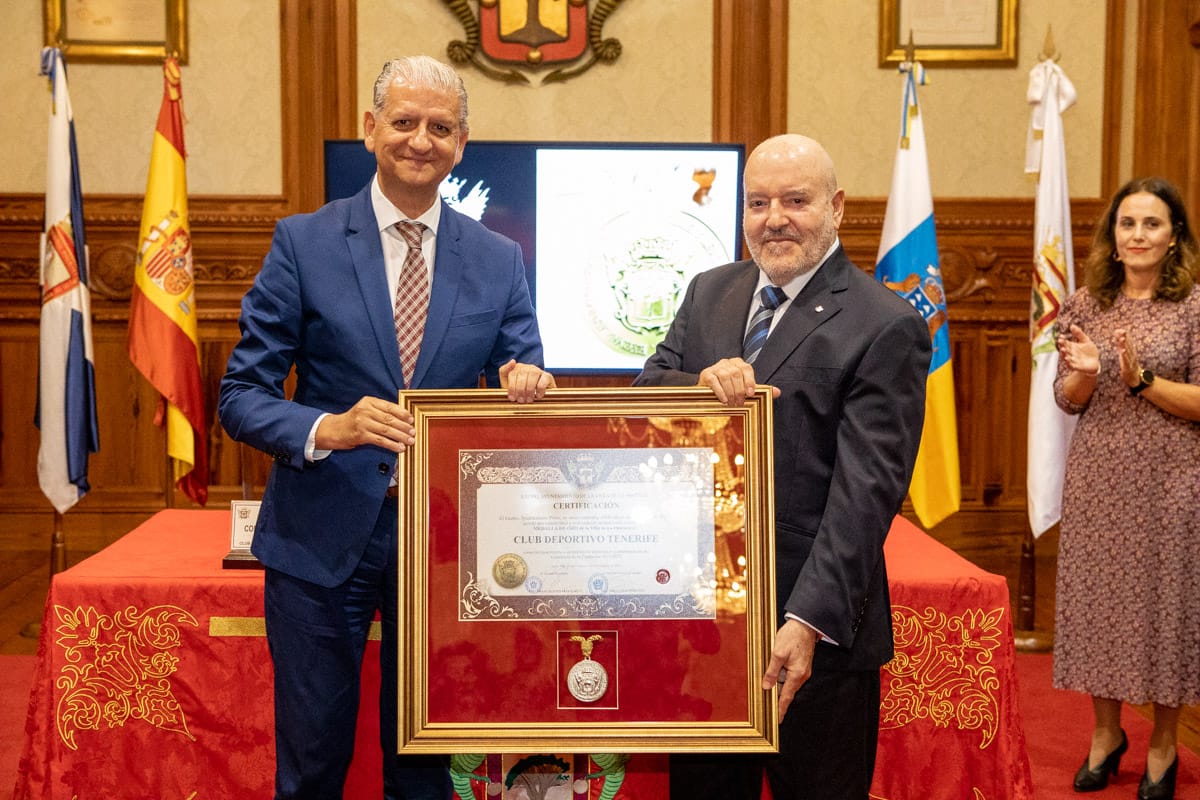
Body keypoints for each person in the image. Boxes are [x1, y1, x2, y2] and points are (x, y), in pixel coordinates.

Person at [218, 55, 554, 800]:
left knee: (426, 764)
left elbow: (521, 370)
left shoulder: (499, 259)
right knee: (312, 761)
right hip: (319, 537)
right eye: (404, 122)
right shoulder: (302, 243)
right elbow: (241, 393)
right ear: (371, 129)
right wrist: (327, 427)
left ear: (462, 143)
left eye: (440, 127)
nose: (420, 140)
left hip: (445, 549)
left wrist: (525, 383)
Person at [634, 133, 931, 799]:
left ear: (837, 207)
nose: (774, 219)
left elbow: (864, 498)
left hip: (815, 637)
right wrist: (699, 384)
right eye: (757, 202)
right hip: (703, 622)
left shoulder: (885, 324)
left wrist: (805, 622)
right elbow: (645, 396)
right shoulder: (710, 291)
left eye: (795, 201)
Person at [1053, 176, 1200, 800]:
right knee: (1100, 608)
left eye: (1152, 224)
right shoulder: (1086, 304)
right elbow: (1066, 398)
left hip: (1173, 478)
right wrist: (1087, 375)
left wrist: (1142, 382)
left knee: (1168, 608)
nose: (1138, 234)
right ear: (1113, 239)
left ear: (1173, 239)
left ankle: (1164, 745)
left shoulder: (1193, 306)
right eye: (1127, 224)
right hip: (1100, 474)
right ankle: (1107, 736)